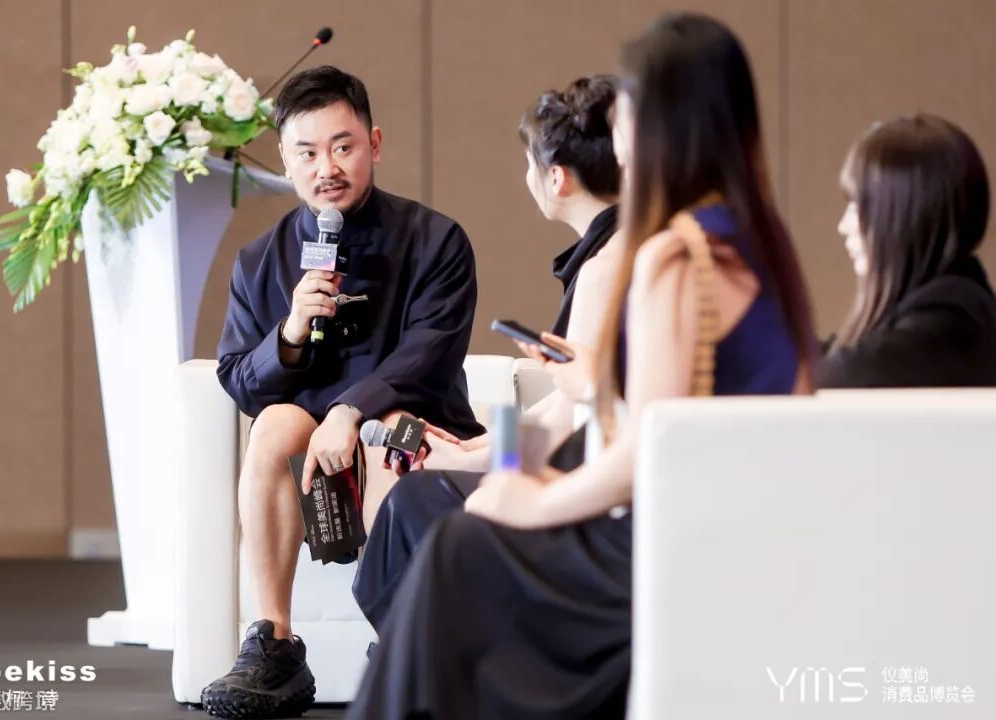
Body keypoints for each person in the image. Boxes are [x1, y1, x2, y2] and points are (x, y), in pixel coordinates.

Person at [347, 13, 815, 719]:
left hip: (656, 536)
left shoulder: (662, 258)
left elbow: (631, 444)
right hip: (722, 524)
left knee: (444, 537)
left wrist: (519, 489)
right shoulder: (761, 244)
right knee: (443, 532)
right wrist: (496, 451)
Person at [201, 65, 483, 719]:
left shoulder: (436, 241)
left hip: (414, 429)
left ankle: (408, 642)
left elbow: (430, 354)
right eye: (306, 152)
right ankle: (274, 646)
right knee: (274, 425)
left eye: (342, 146)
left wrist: (352, 410)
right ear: (285, 161)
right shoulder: (260, 261)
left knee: (391, 433)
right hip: (312, 451)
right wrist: (291, 332)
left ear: (374, 144)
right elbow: (239, 379)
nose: (326, 167)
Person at [353, 74, 623, 630]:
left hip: (590, 492)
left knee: (412, 501)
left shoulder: (605, 267)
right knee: (423, 492)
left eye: (528, 164)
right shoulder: (624, 249)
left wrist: (466, 461)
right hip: (592, 471)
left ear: (556, 177)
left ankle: (420, 655)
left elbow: (574, 414)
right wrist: (476, 449)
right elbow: (567, 402)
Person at [819, 114, 996, 387]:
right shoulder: (947, 310)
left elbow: (841, 372)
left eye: (859, 207)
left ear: (904, 218)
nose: (844, 226)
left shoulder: (951, 325)